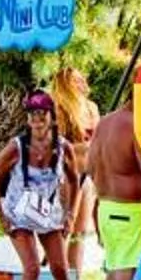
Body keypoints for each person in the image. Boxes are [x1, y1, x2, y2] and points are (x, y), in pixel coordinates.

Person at [0, 88, 83, 280]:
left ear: (51, 117)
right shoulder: (16, 147)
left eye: (42, 114)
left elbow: (75, 181)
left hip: (47, 212)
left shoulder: (63, 147)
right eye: (32, 115)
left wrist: (71, 214)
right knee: (32, 268)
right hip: (19, 212)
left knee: (60, 268)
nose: (37, 120)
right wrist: (2, 217)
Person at [88, 100, 141, 280]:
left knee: (114, 274)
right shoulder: (135, 125)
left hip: (106, 208)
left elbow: (90, 167)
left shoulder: (104, 123)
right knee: (127, 275)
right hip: (130, 211)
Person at [50, 67, 102, 265]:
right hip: (65, 175)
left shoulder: (91, 108)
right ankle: (56, 277)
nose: (81, 83)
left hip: (87, 175)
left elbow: (98, 140)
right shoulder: (58, 108)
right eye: (75, 80)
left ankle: (75, 278)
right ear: (65, 84)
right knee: (64, 229)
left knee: (80, 234)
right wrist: (85, 147)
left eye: (81, 79)